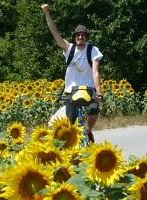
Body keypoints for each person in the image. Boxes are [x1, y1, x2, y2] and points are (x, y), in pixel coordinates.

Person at [41, 3, 103, 143]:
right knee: (70, 120)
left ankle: (88, 130)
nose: (80, 37)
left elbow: (95, 72)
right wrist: (46, 13)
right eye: (78, 35)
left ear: (86, 37)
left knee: (93, 110)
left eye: (83, 35)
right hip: (71, 91)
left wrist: (98, 92)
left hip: (89, 90)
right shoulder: (69, 49)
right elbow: (54, 32)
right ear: (75, 37)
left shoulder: (92, 50)